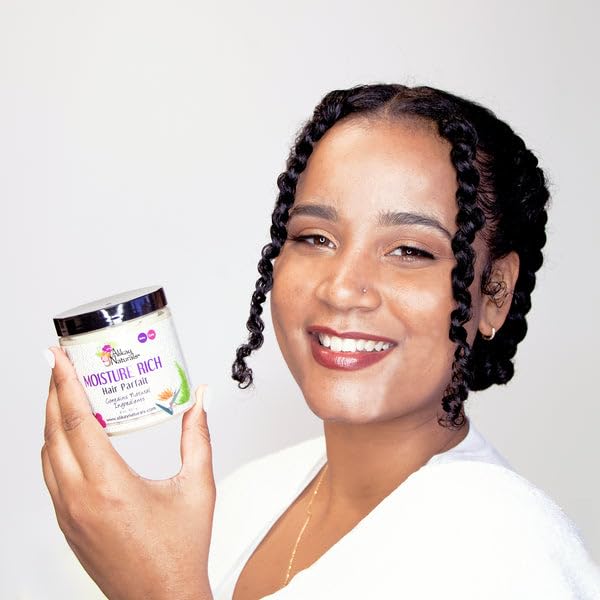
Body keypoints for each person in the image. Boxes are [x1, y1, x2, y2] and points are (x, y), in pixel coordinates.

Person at [42, 84, 600, 599]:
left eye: (409, 250)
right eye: (315, 238)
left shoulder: (509, 550)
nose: (341, 288)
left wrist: (159, 588)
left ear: (495, 292)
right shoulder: (245, 497)